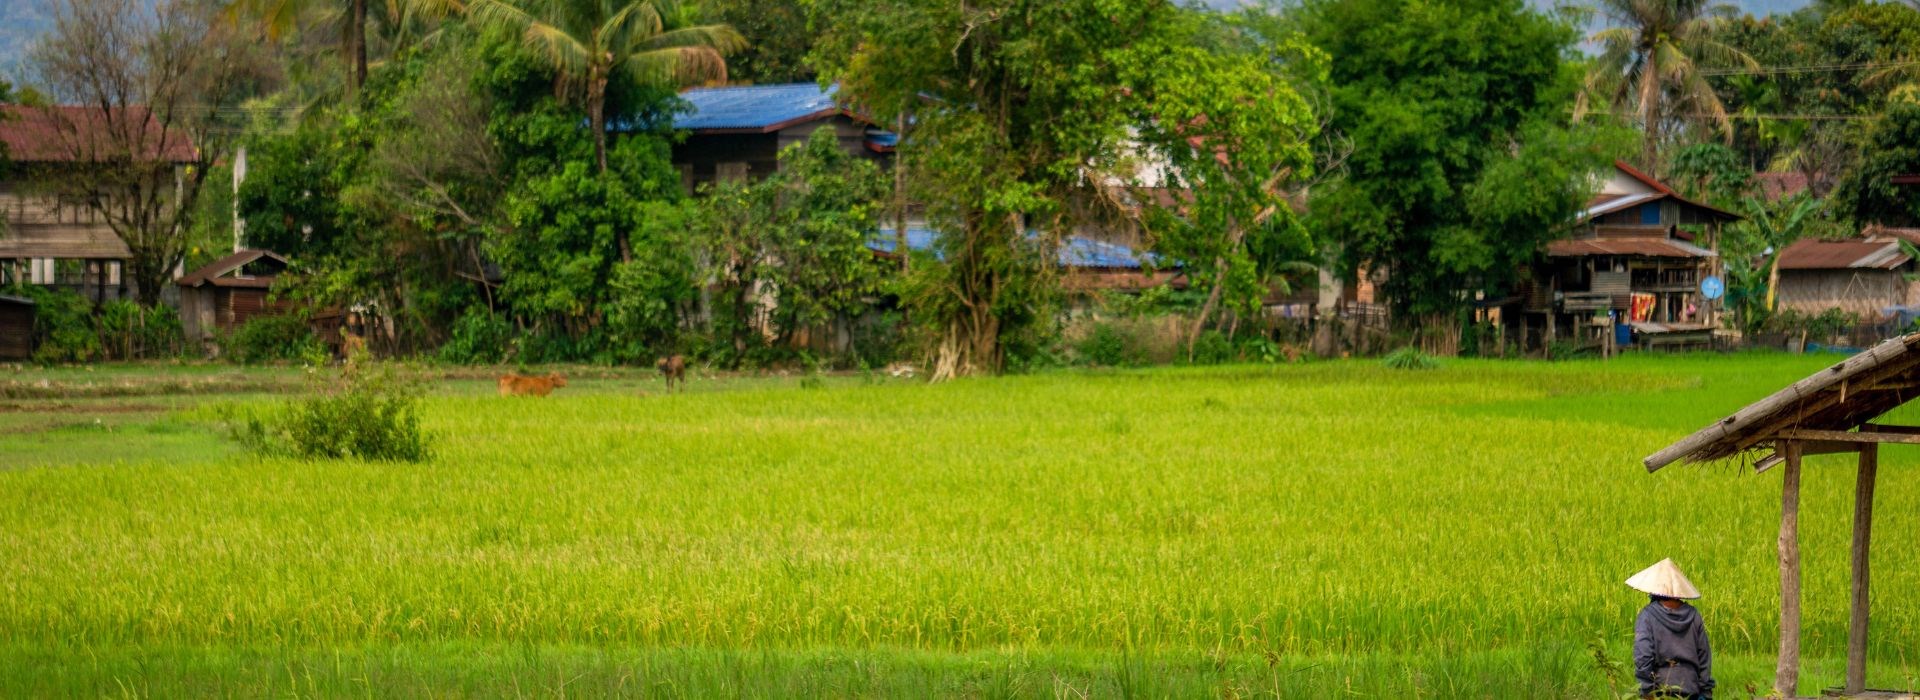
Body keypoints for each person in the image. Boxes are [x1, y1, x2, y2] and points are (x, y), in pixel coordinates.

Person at [1627, 558, 1714, 699]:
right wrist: (1704, 690)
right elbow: (1704, 656)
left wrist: (1647, 691)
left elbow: (1643, 656)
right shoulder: (1694, 615)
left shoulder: (1647, 616)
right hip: (1691, 689)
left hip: (1660, 689)